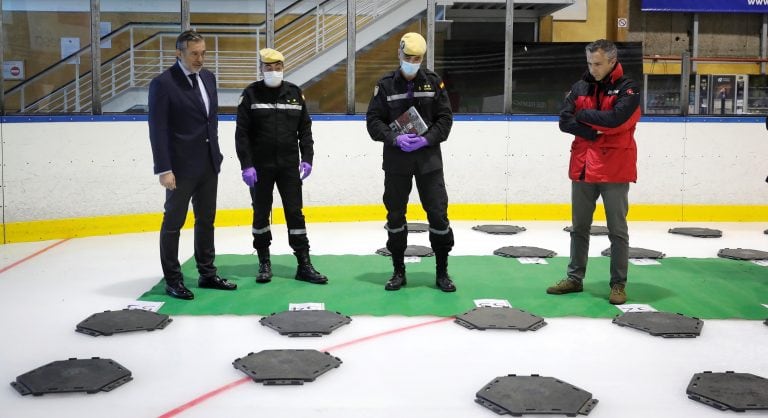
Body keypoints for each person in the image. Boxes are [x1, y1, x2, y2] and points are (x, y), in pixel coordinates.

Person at [546, 39, 641, 305]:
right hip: (583, 167)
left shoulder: (629, 89)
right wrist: (592, 129)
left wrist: (583, 114)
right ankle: (574, 278)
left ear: (612, 61)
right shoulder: (580, 86)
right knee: (579, 228)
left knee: (617, 231)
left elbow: (617, 120)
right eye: (589, 63)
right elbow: (564, 121)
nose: (593, 68)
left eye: (598, 63)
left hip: (615, 169)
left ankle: (618, 284)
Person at [148, 30, 237, 300]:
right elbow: (158, 129)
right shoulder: (163, 84)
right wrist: (164, 169)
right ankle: (173, 280)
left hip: (209, 164)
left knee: (206, 220)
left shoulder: (208, 78)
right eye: (194, 54)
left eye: (203, 53)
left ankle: (207, 273)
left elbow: (212, 120)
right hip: (180, 168)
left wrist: (217, 156)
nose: (200, 58)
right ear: (179, 53)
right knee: (173, 223)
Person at [366, 32, 456, 293]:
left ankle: (442, 272)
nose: (411, 62)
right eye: (408, 57)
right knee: (395, 216)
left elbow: (445, 119)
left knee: (438, 216)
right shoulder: (384, 86)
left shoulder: (434, 83)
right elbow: (373, 122)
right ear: (399, 55)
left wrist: (427, 140)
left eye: (417, 59)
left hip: (429, 163)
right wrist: (394, 139)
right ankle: (398, 271)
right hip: (396, 163)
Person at [234, 48, 328, 285]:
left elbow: (305, 130)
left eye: (278, 67)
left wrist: (307, 157)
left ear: (283, 68)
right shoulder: (251, 95)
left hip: (289, 166)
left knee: (295, 213)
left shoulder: (295, 94)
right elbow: (241, 134)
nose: (273, 71)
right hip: (260, 168)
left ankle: (304, 264)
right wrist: (246, 165)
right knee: (261, 213)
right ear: (261, 68)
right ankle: (264, 263)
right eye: (268, 67)